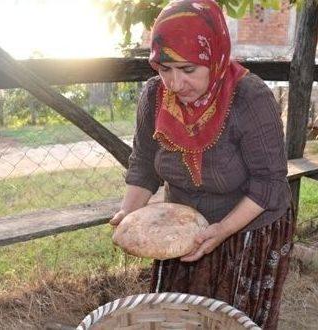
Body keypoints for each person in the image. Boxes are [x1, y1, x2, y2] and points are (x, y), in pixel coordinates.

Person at [109, 0, 294, 328]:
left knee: (233, 318)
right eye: (165, 69)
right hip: (182, 227)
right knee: (179, 315)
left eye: (188, 69)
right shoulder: (155, 97)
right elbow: (143, 165)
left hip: (246, 227)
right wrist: (130, 214)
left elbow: (269, 183)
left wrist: (221, 231)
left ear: (216, 57)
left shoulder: (250, 98)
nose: (175, 85)